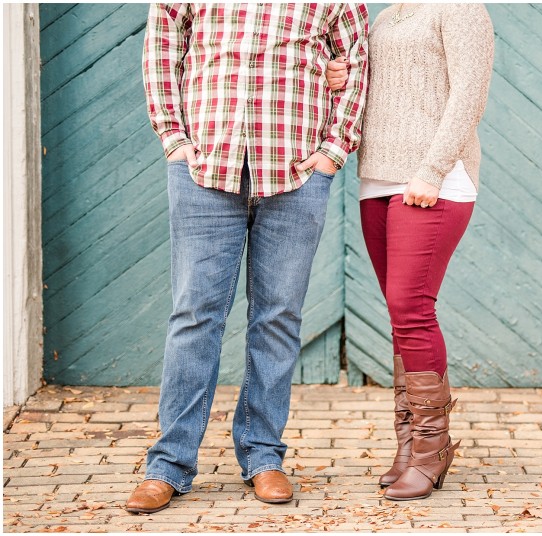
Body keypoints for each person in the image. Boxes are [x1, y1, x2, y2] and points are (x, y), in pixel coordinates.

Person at [126, 3, 368, 514]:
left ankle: (263, 456)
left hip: (296, 169)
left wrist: (332, 151)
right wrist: (173, 139)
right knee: (195, 315)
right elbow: (162, 50)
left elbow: (357, 61)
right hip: (205, 167)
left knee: (278, 316)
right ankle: (168, 464)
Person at [326, 3, 494, 501]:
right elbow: (387, 86)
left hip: (432, 178)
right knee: (401, 314)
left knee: (412, 308)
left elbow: (469, 93)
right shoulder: (387, 16)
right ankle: (409, 446)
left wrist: (433, 168)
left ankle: (431, 449)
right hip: (377, 177)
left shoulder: (461, 9)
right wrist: (344, 75)